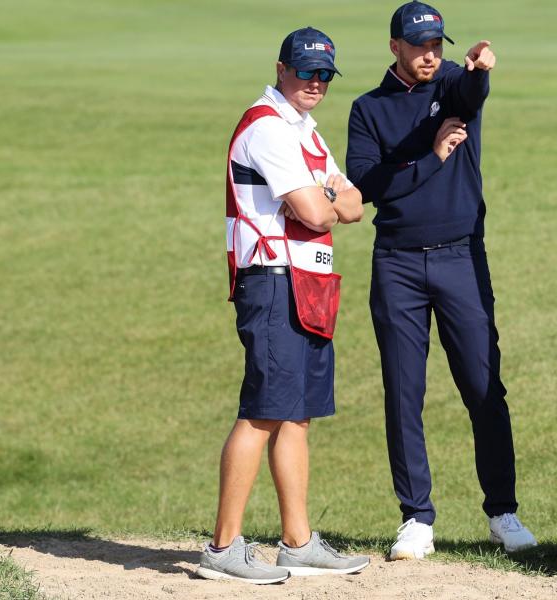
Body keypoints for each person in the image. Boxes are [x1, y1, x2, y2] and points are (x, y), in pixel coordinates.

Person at [346, 1, 537, 560]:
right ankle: (416, 517)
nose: (430, 54)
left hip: (460, 258)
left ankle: (503, 511)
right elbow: (367, 184)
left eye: (437, 45)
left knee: (483, 386)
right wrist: (430, 157)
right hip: (398, 264)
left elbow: (470, 98)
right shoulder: (368, 109)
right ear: (394, 47)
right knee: (405, 393)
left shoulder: (454, 82)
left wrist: (479, 69)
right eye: (419, 45)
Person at [196, 26, 368, 584]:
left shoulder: (307, 130)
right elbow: (320, 212)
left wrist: (326, 200)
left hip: (309, 283)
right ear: (281, 68)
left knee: (297, 414)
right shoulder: (267, 128)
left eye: (324, 75)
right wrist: (326, 199)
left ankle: (296, 544)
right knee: (264, 411)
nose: (315, 82)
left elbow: (354, 203)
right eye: (305, 71)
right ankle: (223, 548)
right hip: (271, 280)